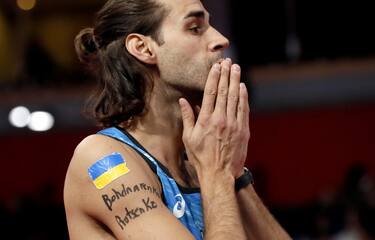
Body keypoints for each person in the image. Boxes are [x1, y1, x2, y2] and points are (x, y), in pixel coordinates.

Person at [64, 0, 292, 239]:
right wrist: (219, 173)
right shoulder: (103, 158)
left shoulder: (204, 161)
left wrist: (235, 174)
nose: (221, 39)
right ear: (143, 48)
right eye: (195, 28)